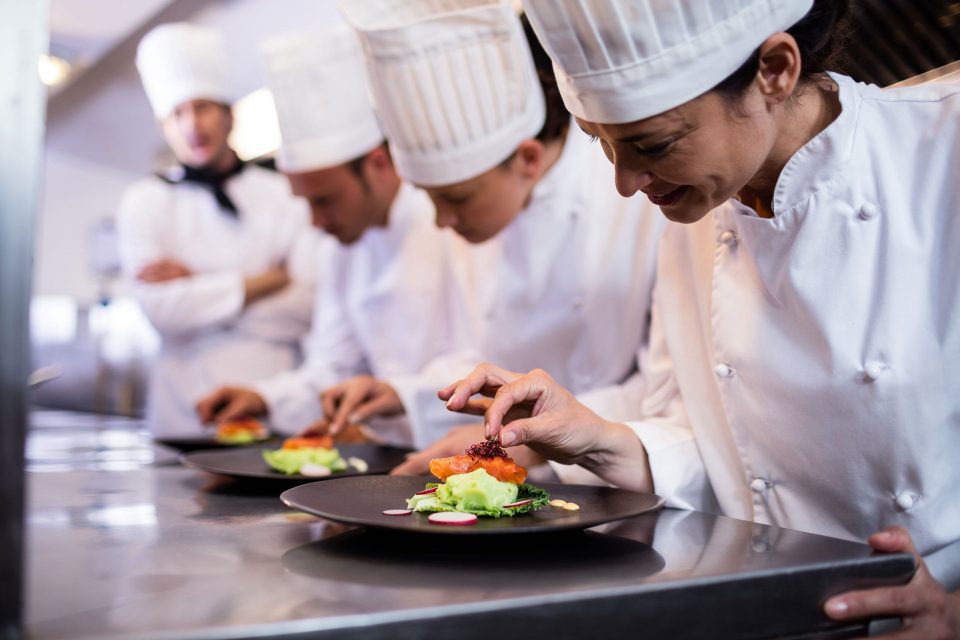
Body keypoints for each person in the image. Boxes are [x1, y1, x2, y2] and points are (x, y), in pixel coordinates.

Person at [439, 0, 960, 635]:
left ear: (774, 69)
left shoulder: (943, 153)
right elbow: (714, 447)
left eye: (651, 144)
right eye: (599, 144)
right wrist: (597, 437)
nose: (626, 184)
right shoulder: (696, 206)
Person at [333, 1, 664, 463]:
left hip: (622, 468)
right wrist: (402, 395)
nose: (441, 221)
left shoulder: (641, 196)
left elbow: (662, 390)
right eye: (430, 197)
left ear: (527, 160)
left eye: (457, 199)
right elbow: (488, 360)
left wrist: (541, 443)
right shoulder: (477, 223)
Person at [195, 27, 470, 445]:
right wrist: (264, 399)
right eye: (306, 203)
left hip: (466, 451)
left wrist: (402, 395)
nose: (316, 221)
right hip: (382, 458)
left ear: (378, 164)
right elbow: (331, 367)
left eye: (325, 200)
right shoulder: (341, 248)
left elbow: (487, 359)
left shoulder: (452, 222)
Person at [117, 23, 323, 437]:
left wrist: (197, 287)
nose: (192, 124)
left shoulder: (285, 191)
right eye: (178, 113)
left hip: (275, 406)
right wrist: (267, 281)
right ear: (164, 127)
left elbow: (306, 307)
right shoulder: (144, 200)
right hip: (182, 414)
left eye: (204, 107)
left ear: (230, 115)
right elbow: (162, 312)